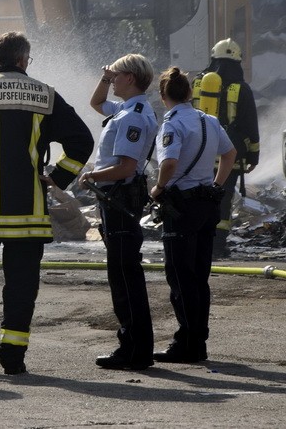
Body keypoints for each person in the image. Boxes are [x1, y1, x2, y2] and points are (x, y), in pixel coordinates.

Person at [0, 32, 93, 375]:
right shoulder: (45, 94)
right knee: (22, 285)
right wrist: (57, 177)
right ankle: (13, 358)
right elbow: (82, 141)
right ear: (23, 60)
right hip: (29, 213)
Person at [150, 66, 236, 364]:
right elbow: (230, 154)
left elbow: (170, 163)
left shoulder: (172, 124)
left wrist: (157, 188)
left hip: (182, 207)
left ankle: (186, 342)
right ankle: (198, 340)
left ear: (164, 97)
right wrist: (216, 185)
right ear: (190, 93)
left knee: (180, 276)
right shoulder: (208, 121)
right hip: (206, 205)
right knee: (200, 277)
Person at [79, 54, 158, 371]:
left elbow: (125, 166)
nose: (112, 79)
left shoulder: (133, 116)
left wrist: (91, 176)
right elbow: (96, 102)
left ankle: (134, 349)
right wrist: (105, 77)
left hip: (120, 197)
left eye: (117, 74)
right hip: (115, 198)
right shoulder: (126, 109)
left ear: (131, 78)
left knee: (125, 276)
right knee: (124, 274)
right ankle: (135, 346)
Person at [191, 38, 259, 258]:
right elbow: (250, 124)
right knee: (222, 199)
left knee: (196, 197)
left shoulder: (198, 83)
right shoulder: (242, 89)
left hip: (198, 154)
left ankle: (196, 241)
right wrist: (253, 156)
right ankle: (217, 246)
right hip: (228, 156)